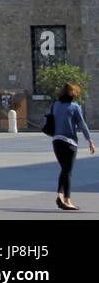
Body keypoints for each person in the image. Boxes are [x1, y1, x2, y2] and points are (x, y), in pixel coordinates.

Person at [49, 82, 95, 211]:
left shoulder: (55, 105)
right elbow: (82, 124)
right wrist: (90, 140)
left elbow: (48, 117)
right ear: (73, 94)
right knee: (67, 171)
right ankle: (67, 200)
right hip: (70, 143)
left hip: (56, 141)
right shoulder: (75, 107)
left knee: (64, 169)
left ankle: (60, 195)